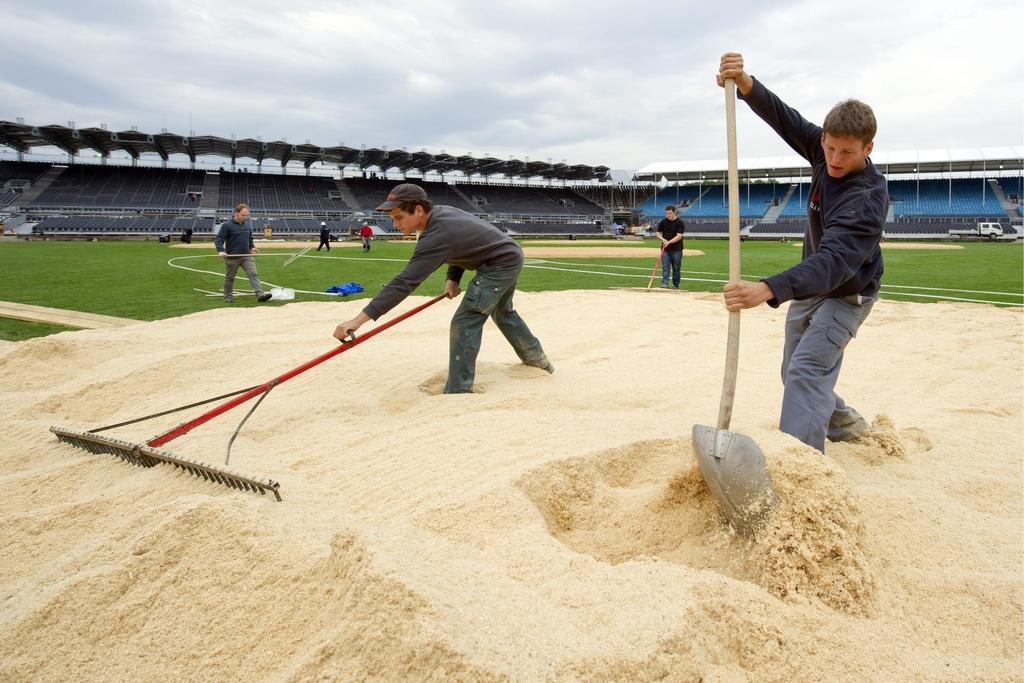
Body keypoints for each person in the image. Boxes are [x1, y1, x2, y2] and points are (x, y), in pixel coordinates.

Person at [717, 52, 887, 452]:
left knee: (807, 371)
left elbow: (832, 263)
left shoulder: (865, 197)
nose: (834, 160)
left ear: (868, 148)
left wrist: (767, 288)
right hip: (811, 290)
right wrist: (745, 84)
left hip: (847, 293)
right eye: (829, 148)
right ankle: (847, 425)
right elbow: (786, 119)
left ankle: (802, 468)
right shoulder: (822, 151)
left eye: (846, 152)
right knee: (794, 372)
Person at [333, 183, 553, 393]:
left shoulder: (436, 234)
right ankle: (539, 363)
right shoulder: (439, 214)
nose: (395, 224)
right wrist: (453, 277)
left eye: (399, 217)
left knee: (466, 319)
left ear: (418, 210)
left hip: (499, 264)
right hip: (507, 256)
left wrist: (357, 321)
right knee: (503, 313)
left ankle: (458, 389)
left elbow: (404, 283)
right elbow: (462, 242)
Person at [214, 203, 272, 303]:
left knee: (253, 274)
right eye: (243, 215)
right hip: (232, 257)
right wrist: (220, 251)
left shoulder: (247, 225)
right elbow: (219, 239)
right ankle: (228, 296)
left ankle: (260, 294)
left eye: (246, 215)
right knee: (230, 278)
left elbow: (250, 239)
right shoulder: (227, 225)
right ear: (236, 213)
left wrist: (252, 248)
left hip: (246, 256)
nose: (245, 217)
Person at [655, 205, 685, 288]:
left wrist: (669, 242)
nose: (668, 215)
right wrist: (663, 239)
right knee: (665, 267)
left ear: (674, 212)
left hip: (677, 249)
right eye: (667, 213)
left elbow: (679, 236)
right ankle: (665, 283)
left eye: (670, 213)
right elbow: (657, 233)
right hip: (665, 249)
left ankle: (676, 285)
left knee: (676, 268)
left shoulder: (679, 222)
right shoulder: (663, 222)